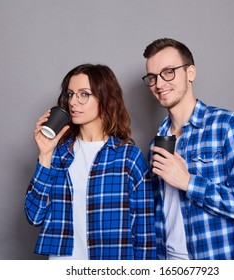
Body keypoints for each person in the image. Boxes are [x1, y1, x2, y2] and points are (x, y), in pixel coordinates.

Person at [141, 38, 234, 260]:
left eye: (168, 72)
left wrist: (189, 183)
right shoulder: (156, 143)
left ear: (190, 72)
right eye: (152, 77)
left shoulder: (226, 125)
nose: (159, 84)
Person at [25, 64, 156, 260]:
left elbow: (144, 233)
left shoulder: (129, 158)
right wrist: (45, 154)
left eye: (83, 94)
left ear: (105, 99)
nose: (73, 102)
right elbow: (34, 216)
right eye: (70, 94)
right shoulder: (58, 155)